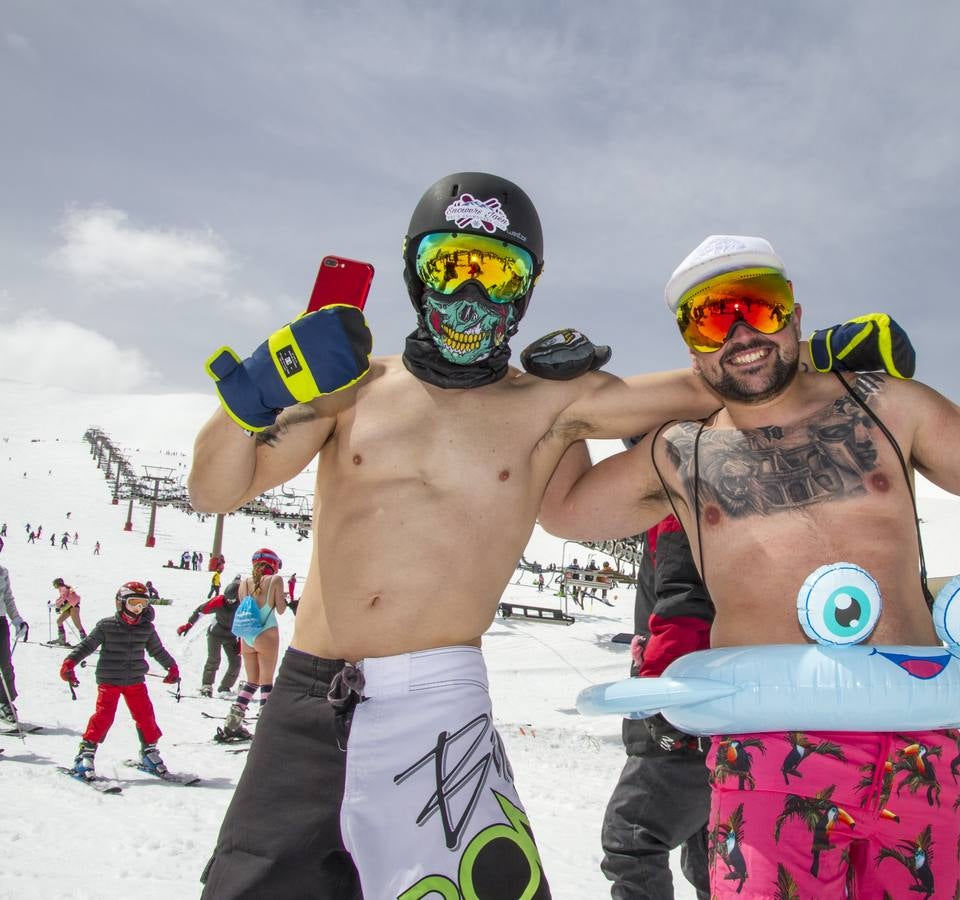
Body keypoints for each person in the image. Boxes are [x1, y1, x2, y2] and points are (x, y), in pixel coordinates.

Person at [189, 173, 824, 898]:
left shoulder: (549, 403)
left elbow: (710, 382)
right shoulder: (351, 387)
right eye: (449, 267)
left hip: (439, 708)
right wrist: (257, 392)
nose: (471, 298)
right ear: (413, 274)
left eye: (496, 274)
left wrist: (822, 355)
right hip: (309, 695)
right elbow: (216, 488)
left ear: (524, 291)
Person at [538, 235, 960, 897]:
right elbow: (565, 512)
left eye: (759, 305)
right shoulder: (680, 451)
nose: (741, 333)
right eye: (711, 317)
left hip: (914, 748)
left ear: (794, 310)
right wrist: (566, 404)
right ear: (690, 342)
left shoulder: (885, 405)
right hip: (767, 757)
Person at [601, 514, 714, 900]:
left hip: (682, 709)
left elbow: (683, 601)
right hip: (717, 709)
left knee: (632, 837)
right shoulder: (720, 486)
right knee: (711, 858)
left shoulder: (675, 497)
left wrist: (659, 695)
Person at [59, 581, 181, 778]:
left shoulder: (146, 628)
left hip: (135, 680)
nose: (138, 608)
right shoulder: (106, 625)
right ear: (120, 602)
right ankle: (85, 754)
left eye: (143, 604)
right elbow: (88, 645)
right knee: (104, 716)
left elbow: (157, 650)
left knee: (146, 715)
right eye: (133, 603)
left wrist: (171, 666)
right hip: (110, 679)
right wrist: (70, 662)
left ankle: (149, 752)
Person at [216, 550, 286, 741]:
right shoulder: (275, 580)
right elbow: (280, 609)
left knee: (252, 680)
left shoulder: (245, 583)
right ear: (273, 564)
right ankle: (267, 726)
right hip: (267, 632)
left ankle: (233, 721)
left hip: (246, 636)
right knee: (266, 682)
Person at [178, 574, 243, 698]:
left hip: (231, 636)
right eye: (227, 599)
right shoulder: (219, 601)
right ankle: (206, 685)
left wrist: (241, 641)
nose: (229, 602)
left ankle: (225, 686)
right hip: (215, 634)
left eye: (232, 600)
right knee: (214, 659)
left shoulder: (242, 605)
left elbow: (245, 623)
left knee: (235, 661)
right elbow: (200, 610)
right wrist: (189, 624)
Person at [0, 563, 30, 723]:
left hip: (0, 620)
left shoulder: (3, 571)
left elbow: (8, 598)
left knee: (5, 663)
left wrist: (17, 620)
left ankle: (5, 702)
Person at [51, 577, 86, 646]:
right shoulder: (65, 587)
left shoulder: (63, 588)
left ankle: (84, 642)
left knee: (77, 624)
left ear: (57, 584)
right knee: (59, 621)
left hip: (73, 607)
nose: (54, 586)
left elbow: (63, 597)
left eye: (54, 584)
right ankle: (61, 639)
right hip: (70, 607)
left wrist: (58, 605)